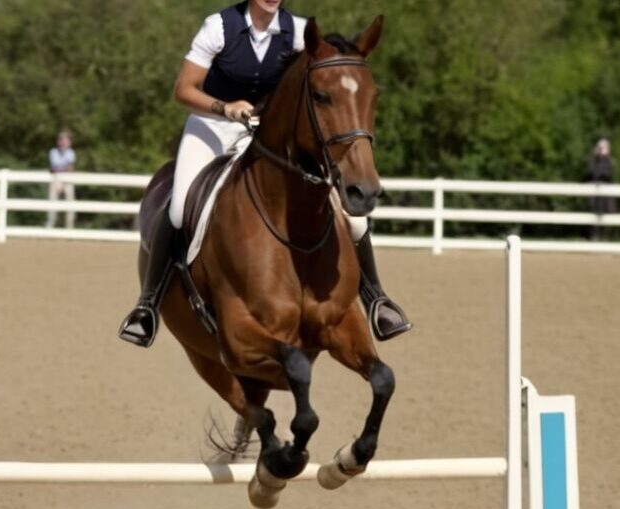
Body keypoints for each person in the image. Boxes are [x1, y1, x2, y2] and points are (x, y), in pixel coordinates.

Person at [117, 0, 410, 348]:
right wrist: (224, 108)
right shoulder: (220, 27)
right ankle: (148, 304)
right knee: (180, 207)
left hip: (268, 134)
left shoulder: (300, 32)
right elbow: (184, 89)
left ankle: (376, 298)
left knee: (355, 219)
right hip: (213, 126)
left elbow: (327, 78)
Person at [586, 137, 614, 240]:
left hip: (606, 192)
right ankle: (594, 236)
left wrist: (605, 159)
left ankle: (605, 237)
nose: (602, 150)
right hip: (595, 191)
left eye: (604, 147)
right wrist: (595, 157)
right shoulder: (593, 160)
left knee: (607, 212)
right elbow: (590, 172)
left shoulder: (609, 161)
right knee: (593, 212)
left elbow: (608, 174)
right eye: (601, 147)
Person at [47, 130, 76, 229]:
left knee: (70, 203)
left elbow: (70, 168)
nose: (63, 142)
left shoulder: (71, 152)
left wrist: (62, 172)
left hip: (67, 179)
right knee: (52, 203)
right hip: (56, 179)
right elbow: (53, 168)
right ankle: (50, 226)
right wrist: (62, 171)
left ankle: (70, 228)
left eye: (66, 140)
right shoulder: (53, 152)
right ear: (58, 141)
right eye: (62, 140)